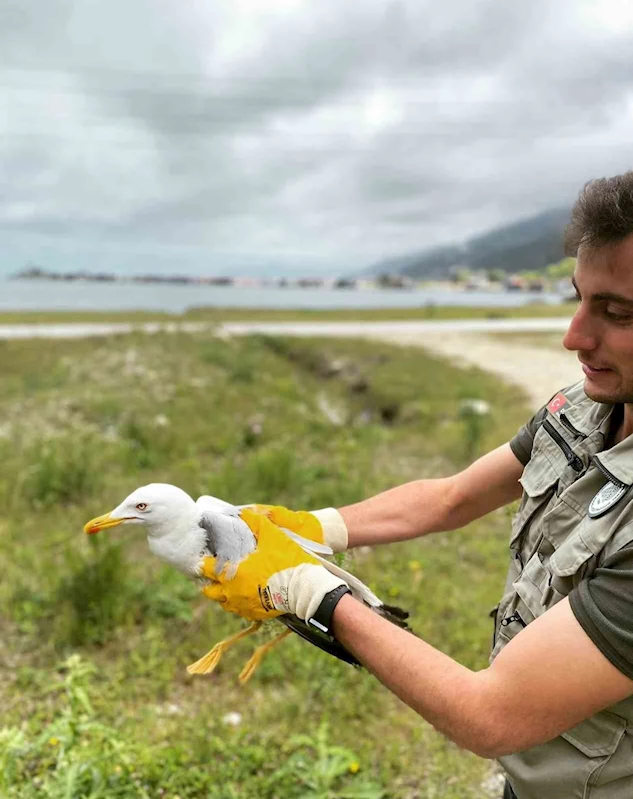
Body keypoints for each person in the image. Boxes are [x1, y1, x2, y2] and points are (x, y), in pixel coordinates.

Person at [211, 172, 633, 799]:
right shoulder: (580, 409)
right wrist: (311, 527)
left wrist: (310, 591)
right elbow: (451, 498)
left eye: (617, 312)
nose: (574, 337)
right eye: (577, 298)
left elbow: (492, 714)